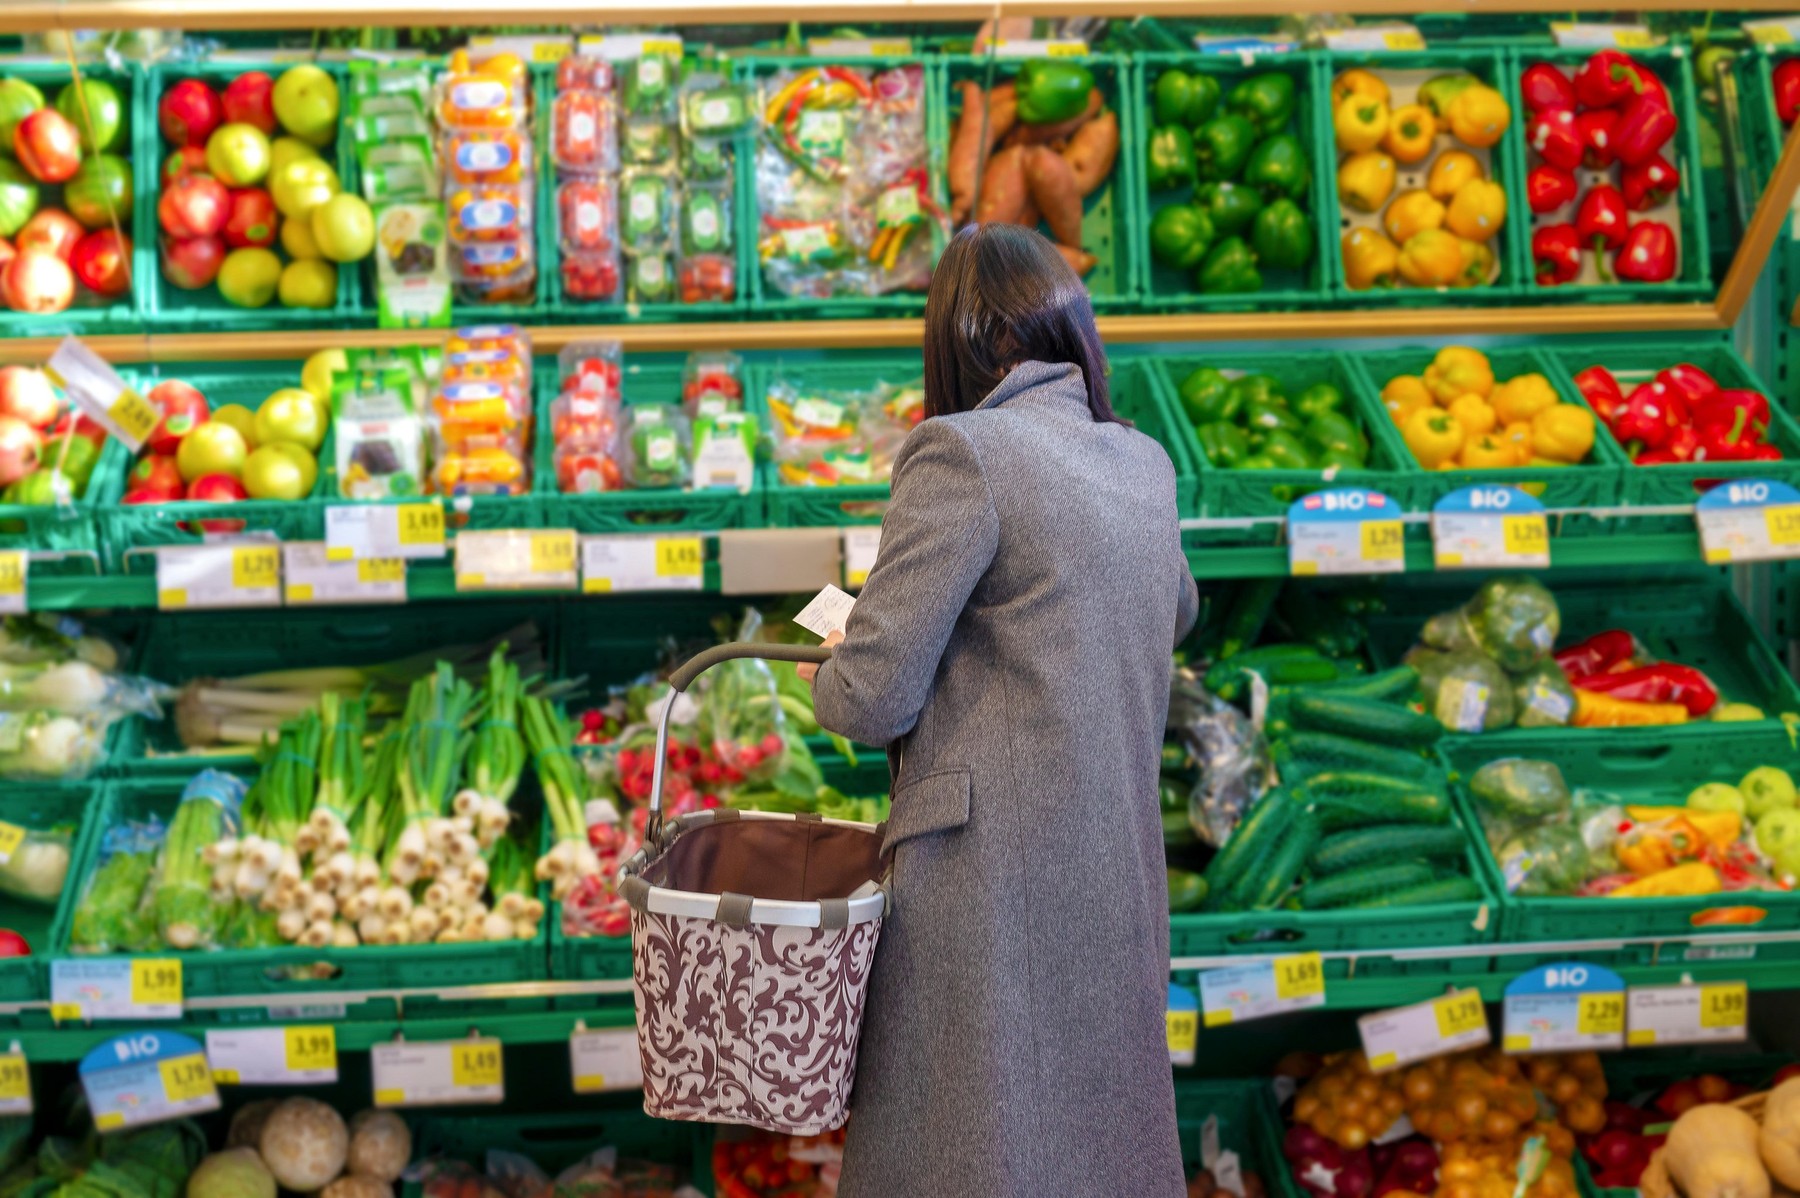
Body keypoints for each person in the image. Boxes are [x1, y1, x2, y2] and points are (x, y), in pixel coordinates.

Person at [797, 223, 1199, 1197]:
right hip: (1115, 872)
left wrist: (836, 657)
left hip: (988, 888)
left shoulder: (961, 451)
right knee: (1094, 1152)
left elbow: (871, 696)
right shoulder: (1141, 460)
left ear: (953, 346)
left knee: (973, 1155)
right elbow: (1175, 611)